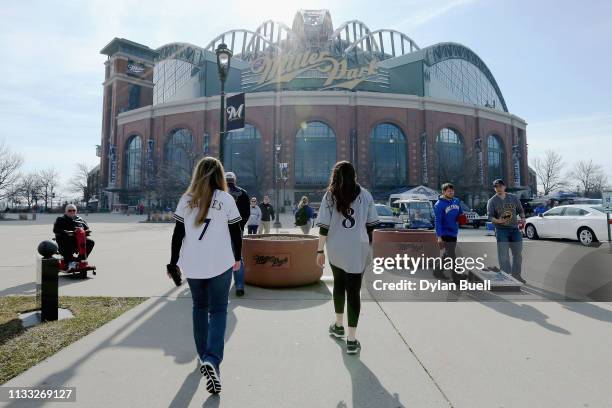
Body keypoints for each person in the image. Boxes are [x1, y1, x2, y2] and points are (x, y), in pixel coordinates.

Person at [168, 157, 243, 395]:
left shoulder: (186, 199)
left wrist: (172, 262)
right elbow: (236, 232)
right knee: (219, 309)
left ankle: (204, 358)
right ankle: (212, 359)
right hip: (220, 263)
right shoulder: (226, 198)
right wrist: (238, 258)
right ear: (220, 175)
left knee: (199, 308)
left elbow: (177, 233)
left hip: (193, 264)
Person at [315, 161, 379, 354]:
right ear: (354, 175)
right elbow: (371, 226)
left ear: (335, 175)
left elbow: (324, 227)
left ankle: (338, 325)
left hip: (336, 247)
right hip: (358, 248)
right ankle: (352, 339)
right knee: (354, 291)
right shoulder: (366, 195)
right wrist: (372, 250)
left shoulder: (330, 195)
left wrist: (319, 251)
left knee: (339, 285)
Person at [487, 179, 526, 283]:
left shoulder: (513, 198)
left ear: (504, 187)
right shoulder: (492, 201)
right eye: (496, 187)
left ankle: (516, 275)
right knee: (503, 255)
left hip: (514, 229)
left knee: (517, 253)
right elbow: (490, 216)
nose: (499, 188)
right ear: (494, 189)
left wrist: (523, 219)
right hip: (501, 230)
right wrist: (498, 220)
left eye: (500, 186)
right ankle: (506, 275)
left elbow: (520, 210)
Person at [225, 171, 250, 297]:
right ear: (234, 180)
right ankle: (239, 285)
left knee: (219, 257)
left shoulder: (219, 194)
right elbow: (247, 213)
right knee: (237, 257)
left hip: (221, 231)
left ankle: (219, 286)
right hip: (237, 229)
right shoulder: (243, 193)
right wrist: (241, 225)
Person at [433, 183, 464, 283]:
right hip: (445, 232)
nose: (451, 192)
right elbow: (437, 221)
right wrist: (439, 237)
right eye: (448, 190)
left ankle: (437, 271)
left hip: (454, 232)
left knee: (447, 254)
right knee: (452, 255)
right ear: (443, 192)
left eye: (452, 190)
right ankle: (457, 277)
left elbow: (460, 213)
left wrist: (462, 217)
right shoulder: (439, 205)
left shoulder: (456, 201)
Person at [53, 204, 95, 269]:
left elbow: (86, 228)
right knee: (67, 243)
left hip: (78, 240)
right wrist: (66, 232)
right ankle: (69, 261)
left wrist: (87, 231)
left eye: (74, 210)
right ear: (66, 211)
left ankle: (80, 259)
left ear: (76, 211)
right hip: (65, 240)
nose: (72, 212)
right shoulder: (61, 219)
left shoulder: (80, 219)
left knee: (91, 242)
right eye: (69, 210)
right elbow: (56, 230)